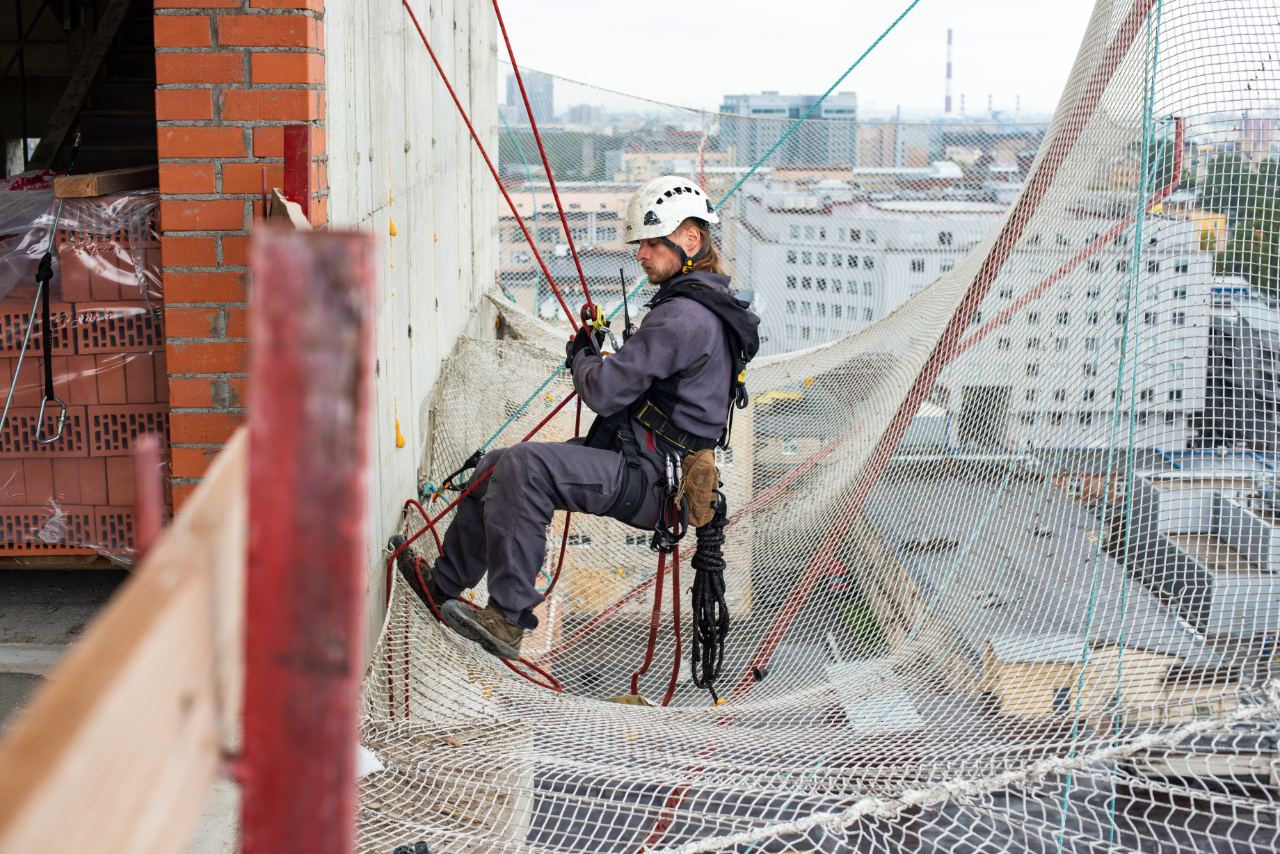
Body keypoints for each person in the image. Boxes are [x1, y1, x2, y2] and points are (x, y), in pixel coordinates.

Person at [400, 175, 760, 661]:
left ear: (690, 240)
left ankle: (506, 619)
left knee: (525, 468)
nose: (641, 254)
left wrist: (584, 359)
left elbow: (605, 392)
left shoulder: (684, 317)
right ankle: (443, 586)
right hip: (641, 463)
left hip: (649, 478)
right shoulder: (696, 310)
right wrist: (597, 355)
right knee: (495, 467)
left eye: (652, 243)